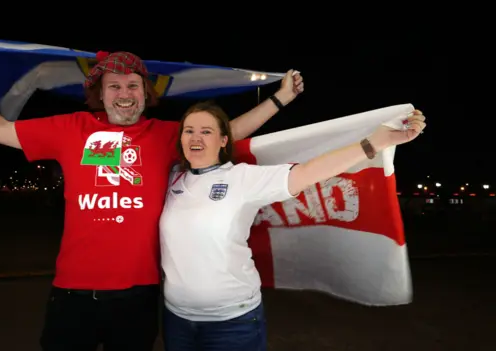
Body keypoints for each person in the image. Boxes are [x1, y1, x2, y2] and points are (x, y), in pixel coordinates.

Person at [0, 34, 305, 350]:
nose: (124, 93)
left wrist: (279, 98)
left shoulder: (165, 135)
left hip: (139, 297)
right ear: (100, 92)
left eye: (134, 84)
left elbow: (226, 132)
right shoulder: (70, 129)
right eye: (114, 85)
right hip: (72, 295)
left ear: (146, 93)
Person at [159, 101, 426, 350]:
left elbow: (308, 172)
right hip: (176, 320)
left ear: (224, 140)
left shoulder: (243, 178)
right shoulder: (171, 179)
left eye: (206, 131)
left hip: (232, 322)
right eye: (189, 131)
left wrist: (374, 143)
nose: (195, 137)